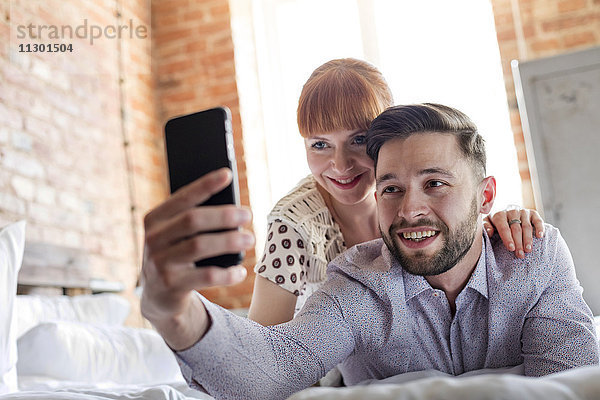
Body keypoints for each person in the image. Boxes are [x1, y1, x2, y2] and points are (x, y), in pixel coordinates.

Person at [141, 103, 598, 400]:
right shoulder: (358, 281)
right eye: (391, 189)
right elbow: (274, 368)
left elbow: (570, 384)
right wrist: (174, 312)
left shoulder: (533, 257)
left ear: (484, 198)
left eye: (435, 184)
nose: (410, 210)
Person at [248, 58, 544, 327]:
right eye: (320, 144)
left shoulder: (412, 197)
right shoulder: (292, 225)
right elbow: (262, 355)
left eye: (359, 139)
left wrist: (505, 222)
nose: (340, 165)